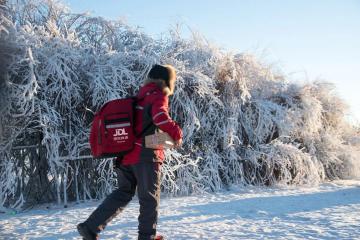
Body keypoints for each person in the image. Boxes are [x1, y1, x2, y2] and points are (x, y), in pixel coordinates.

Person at [77, 64, 183, 240]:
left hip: (125, 155)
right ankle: (147, 237)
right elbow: (160, 117)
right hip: (146, 156)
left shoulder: (138, 98)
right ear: (167, 81)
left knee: (123, 192)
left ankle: (90, 227)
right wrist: (176, 133)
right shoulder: (158, 96)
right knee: (149, 199)